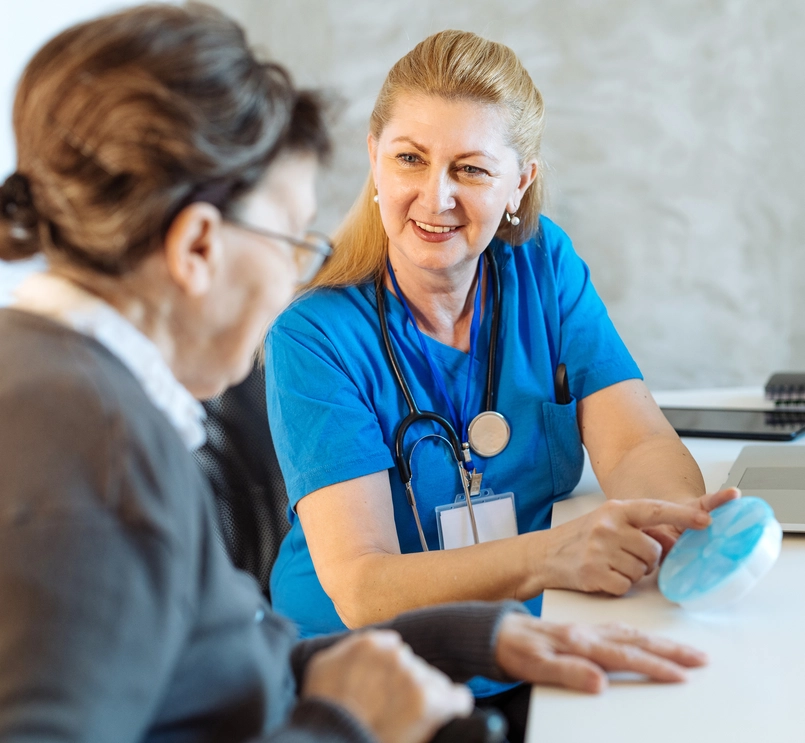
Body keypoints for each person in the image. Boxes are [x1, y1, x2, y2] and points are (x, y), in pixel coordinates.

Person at [0, 6, 711, 743]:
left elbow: (214, 672)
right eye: (290, 238)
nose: (296, 276)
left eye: (468, 169)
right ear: (198, 246)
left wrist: (469, 639)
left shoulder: (92, 402)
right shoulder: (88, 445)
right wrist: (344, 721)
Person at [264, 29, 738, 732]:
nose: (435, 196)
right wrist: (555, 554)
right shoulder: (313, 336)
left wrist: (669, 524)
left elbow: (633, 440)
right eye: (409, 159)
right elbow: (364, 585)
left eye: (471, 169)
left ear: (519, 182)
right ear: (373, 159)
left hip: (524, 645)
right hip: (361, 682)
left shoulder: (542, 266)